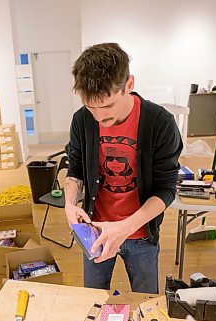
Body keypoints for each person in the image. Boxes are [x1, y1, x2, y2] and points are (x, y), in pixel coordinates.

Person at [64, 43, 183, 293]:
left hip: (141, 235)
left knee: (146, 306)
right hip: (95, 231)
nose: (98, 117)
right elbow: (74, 169)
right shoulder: (81, 120)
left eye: (107, 106)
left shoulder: (159, 123)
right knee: (92, 301)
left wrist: (125, 228)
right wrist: (70, 204)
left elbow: (166, 190)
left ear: (129, 85)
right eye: (90, 107)